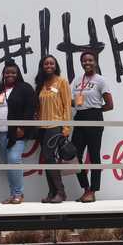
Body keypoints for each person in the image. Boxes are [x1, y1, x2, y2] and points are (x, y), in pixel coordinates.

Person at [0, 60, 36, 204]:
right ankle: (13, 193)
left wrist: (22, 127)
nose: (10, 75)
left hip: (17, 133)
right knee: (8, 163)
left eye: (13, 72)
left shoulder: (25, 88)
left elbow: (30, 108)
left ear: (18, 74)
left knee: (14, 159)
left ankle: (18, 193)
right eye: (7, 72)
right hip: (0, 133)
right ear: (3, 74)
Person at [71, 50, 113, 203]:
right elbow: (73, 101)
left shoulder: (100, 80)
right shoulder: (76, 80)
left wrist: (95, 110)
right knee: (74, 156)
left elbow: (110, 105)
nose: (87, 63)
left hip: (94, 117)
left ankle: (93, 191)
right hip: (79, 117)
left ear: (95, 62)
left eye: (90, 60)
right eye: (84, 60)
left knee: (94, 155)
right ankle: (86, 188)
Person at [34, 54, 72, 203]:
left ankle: (61, 192)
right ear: (42, 66)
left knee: (49, 157)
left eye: (51, 63)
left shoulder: (62, 81)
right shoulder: (41, 83)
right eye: (46, 64)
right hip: (42, 127)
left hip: (56, 125)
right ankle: (52, 192)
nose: (49, 66)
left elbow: (67, 105)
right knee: (46, 159)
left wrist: (67, 127)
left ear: (55, 66)